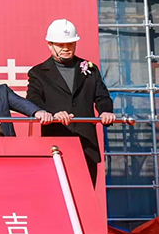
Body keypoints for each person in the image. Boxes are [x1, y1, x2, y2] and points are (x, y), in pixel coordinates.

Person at [27, 19, 115, 186]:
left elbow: (102, 96)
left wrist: (105, 111)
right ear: (50, 45)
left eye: (70, 44)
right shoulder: (38, 72)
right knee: (57, 194)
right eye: (60, 44)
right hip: (56, 143)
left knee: (86, 193)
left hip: (86, 144)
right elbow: (33, 99)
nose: (66, 48)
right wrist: (52, 114)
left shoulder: (90, 69)